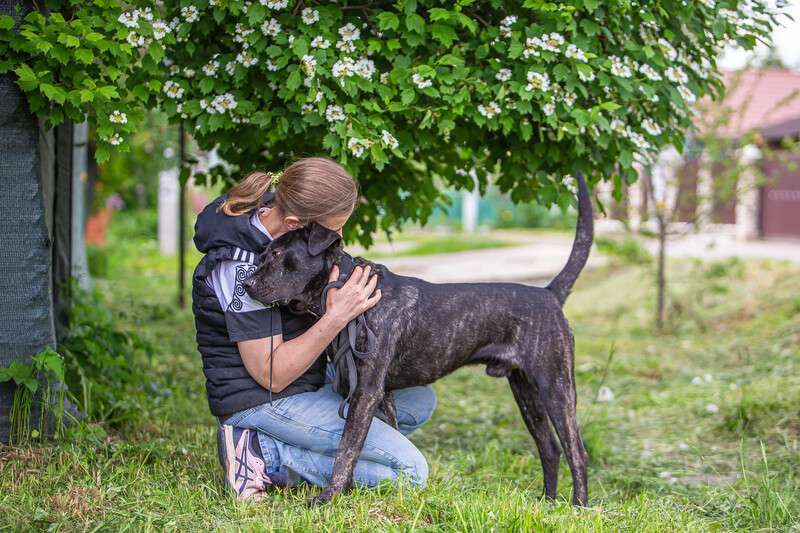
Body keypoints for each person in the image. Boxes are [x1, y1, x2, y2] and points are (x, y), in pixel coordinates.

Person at [191, 157, 436, 501]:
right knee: (409, 472)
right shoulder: (242, 270)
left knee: (417, 400)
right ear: (295, 225)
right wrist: (335, 316)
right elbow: (271, 375)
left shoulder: (279, 216)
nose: (339, 239)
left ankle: (294, 446)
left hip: (306, 378)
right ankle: (264, 454)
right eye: (333, 231)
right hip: (262, 398)